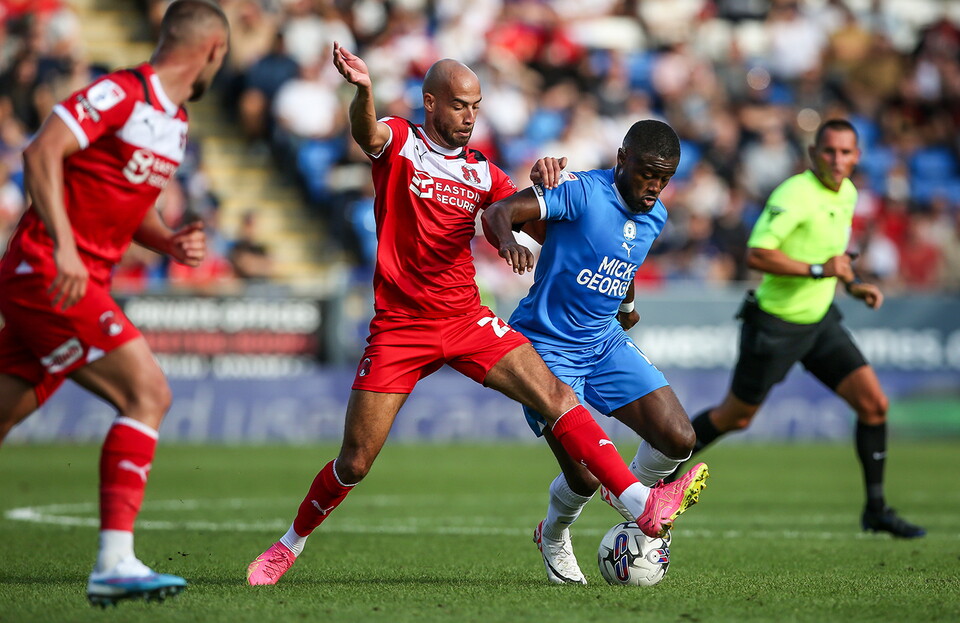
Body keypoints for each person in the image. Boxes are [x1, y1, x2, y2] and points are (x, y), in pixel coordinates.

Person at [245, 44, 706, 586]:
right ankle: (288, 545)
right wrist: (364, 93)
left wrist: (549, 181)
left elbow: (544, 220)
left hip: (467, 320)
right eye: (460, 105)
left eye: (477, 107)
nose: (469, 116)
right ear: (431, 103)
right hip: (400, 327)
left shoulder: (484, 173)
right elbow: (366, 135)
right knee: (356, 462)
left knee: (557, 398)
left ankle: (641, 506)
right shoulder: (400, 143)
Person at [0, 0, 229, 605]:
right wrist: (68, 251)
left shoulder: (173, 120)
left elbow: (127, 206)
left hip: (74, 279)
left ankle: (117, 561)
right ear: (212, 52)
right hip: (51, 271)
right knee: (147, 392)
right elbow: (40, 152)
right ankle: (114, 562)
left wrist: (168, 239)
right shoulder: (121, 93)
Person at [672, 119, 925, 538]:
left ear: (858, 156)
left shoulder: (848, 194)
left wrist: (853, 284)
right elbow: (757, 254)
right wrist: (817, 269)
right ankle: (655, 478)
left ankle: (876, 509)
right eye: (829, 151)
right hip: (775, 324)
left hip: (820, 321)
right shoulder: (794, 194)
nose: (838, 160)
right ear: (813, 155)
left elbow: (830, 254)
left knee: (874, 405)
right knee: (735, 417)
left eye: (846, 152)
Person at [481, 119, 708, 585]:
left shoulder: (656, 215)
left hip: (604, 342)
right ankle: (555, 534)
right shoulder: (581, 192)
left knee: (680, 438)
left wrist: (627, 304)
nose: (654, 187)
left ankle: (630, 497)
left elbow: (621, 264)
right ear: (622, 159)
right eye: (647, 173)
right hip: (544, 351)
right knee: (583, 480)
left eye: (665, 179)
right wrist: (510, 242)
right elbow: (499, 212)